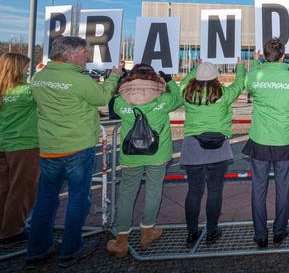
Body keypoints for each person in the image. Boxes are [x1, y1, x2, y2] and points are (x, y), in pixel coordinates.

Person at [28, 37, 122, 267]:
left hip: (50, 147)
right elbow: (101, 98)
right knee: (78, 198)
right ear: (69, 54)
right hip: (78, 146)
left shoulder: (39, 78)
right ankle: (71, 248)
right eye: (83, 52)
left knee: (45, 200)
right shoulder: (77, 80)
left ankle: (37, 249)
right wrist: (114, 77)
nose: (87, 56)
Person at [105, 64, 182, 258]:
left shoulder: (121, 101)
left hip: (130, 154)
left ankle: (121, 239)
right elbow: (179, 97)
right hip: (157, 154)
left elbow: (111, 101)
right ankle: (147, 231)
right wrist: (171, 81)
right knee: (154, 191)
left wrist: (119, 79)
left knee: (127, 193)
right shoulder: (163, 100)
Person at [243, 38, 289, 248]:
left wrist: (255, 64)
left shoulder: (255, 75)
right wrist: (287, 124)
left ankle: (260, 234)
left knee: (258, 188)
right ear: (283, 55)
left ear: (264, 55)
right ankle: (280, 231)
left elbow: (249, 85)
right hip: (283, 139)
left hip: (259, 140)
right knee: (283, 187)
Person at [179, 58, 246, 247]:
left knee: (194, 191)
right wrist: (240, 66)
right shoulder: (223, 94)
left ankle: (192, 233)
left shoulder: (187, 92)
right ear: (216, 77)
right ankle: (212, 231)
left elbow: (184, 82)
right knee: (215, 191)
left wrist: (195, 68)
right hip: (218, 148)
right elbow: (240, 84)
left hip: (192, 147)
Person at [0, 53, 39, 247]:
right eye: (26, 67)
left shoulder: (3, 90)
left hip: (3, 143)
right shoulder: (26, 91)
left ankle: (4, 227)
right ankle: (12, 231)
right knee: (22, 188)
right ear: (18, 68)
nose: (28, 70)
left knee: (4, 188)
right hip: (24, 144)